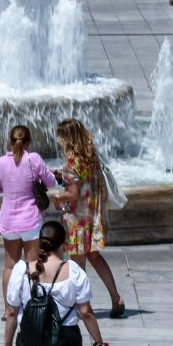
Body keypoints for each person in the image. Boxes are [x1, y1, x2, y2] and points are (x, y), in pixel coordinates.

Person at [50, 118, 126, 318]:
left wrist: (57, 197)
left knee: (77, 265)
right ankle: (116, 298)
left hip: (77, 219)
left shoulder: (71, 162)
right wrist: (59, 175)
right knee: (94, 257)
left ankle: (82, 307)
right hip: (92, 215)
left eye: (61, 137)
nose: (59, 142)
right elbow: (81, 180)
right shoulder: (91, 156)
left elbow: (73, 194)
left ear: (68, 138)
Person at [0, 124, 58, 316]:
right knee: (32, 265)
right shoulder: (33, 159)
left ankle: (8, 310)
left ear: (10, 141)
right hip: (30, 221)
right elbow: (51, 182)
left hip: (9, 222)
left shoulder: (0, 163)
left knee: (10, 266)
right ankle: (31, 308)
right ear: (28, 142)